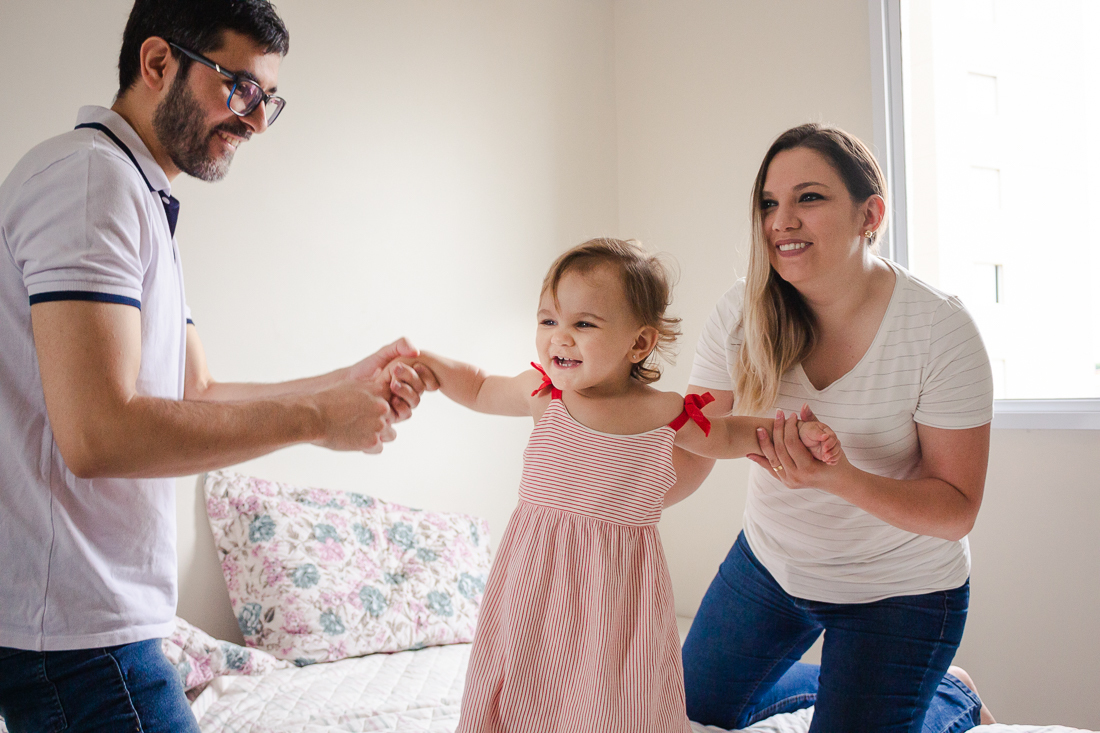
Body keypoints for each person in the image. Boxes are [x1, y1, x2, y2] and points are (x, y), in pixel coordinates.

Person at [0, 2, 433, 731]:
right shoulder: (90, 181)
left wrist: (343, 382)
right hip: (77, 631)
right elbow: (99, 433)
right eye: (239, 87)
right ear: (158, 63)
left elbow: (195, 392)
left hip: (99, 626)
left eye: (267, 98)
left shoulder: (134, 192)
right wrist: (318, 418)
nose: (257, 120)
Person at [393, 238, 840, 733]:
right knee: (523, 679)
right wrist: (428, 367)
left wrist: (795, 432)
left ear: (639, 343)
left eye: (583, 324)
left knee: (613, 694)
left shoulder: (664, 412)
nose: (560, 338)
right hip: (533, 581)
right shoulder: (543, 393)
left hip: (617, 592)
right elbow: (478, 386)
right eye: (548, 320)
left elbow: (731, 434)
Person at [675, 123, 995, 732]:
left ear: (868, 214)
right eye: (770, 203)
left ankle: (949, 696)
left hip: (901, 593)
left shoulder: (938, 328)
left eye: (809, 198)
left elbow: (956, 508)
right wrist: (601, 475)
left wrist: (839, 478)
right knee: (677, 715)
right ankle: (854, 685)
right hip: (770, 567)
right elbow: (693, 444)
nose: (781, 220)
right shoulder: (740, 313)